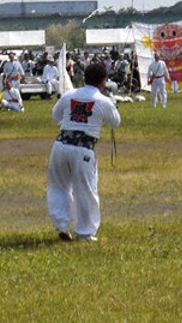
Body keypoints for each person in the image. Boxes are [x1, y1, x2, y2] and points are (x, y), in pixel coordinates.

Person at [47, 62, 121, 242]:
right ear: (103, 81)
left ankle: (61, 225)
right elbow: (115, 122)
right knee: (86, 191)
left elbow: (55, 117)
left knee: (59, 187)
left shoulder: (69, 95)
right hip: (83, 149)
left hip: (60, 145)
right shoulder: (103, 101)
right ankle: (85, 232)